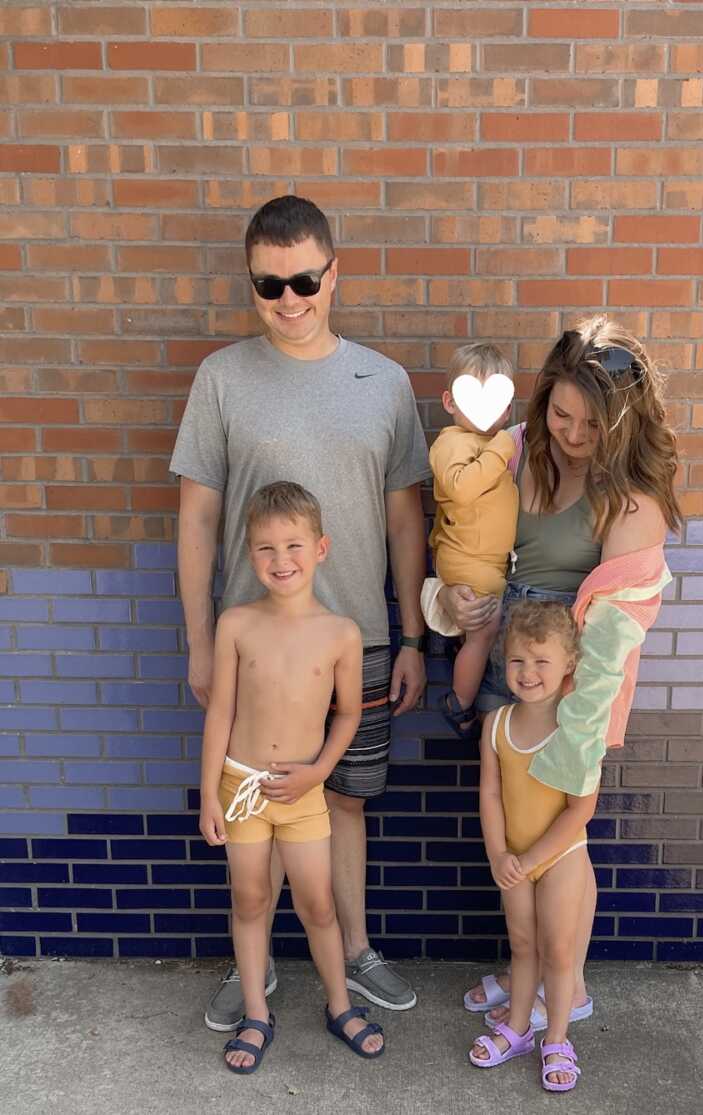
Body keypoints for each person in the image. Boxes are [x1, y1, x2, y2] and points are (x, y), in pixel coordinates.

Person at [172, 195, 429, 1030]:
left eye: (305, 279)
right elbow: (199, 518)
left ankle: (351, 953)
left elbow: (403, 518)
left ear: (333, 272)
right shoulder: (222, 378)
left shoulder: (383, 383)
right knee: (251, 789)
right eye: (269, 285)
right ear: (251, 284)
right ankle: (258, 969)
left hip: (357, 635)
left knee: (341, 801)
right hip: (252, 645)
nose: (289, 300)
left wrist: (415, 635)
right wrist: (200, 642)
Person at [439, 316, 682, 1030]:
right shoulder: (518, 453)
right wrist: (457, 593)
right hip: (506, 657)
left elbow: (611, 637)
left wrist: (579, 733)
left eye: (590, 423)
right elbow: (468, 534)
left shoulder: (631, 495)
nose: (573, 435)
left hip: (574, 679)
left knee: (565, 837)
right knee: (514, 827)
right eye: (561, 413)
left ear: (625, 420)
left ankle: (565, 984)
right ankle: (527, 969)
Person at [200, 482, 386, 1071]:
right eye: (265, 549)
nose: (281, 561)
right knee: (251, 900)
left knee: (319, 905)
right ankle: (257, 1012)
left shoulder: (341, 633)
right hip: (242, 789)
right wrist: (209, 793)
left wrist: (319, 773)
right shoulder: (234, 624)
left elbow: (350, 712)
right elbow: (222, 713)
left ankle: (339, 1005)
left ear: (322, 548)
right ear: (247, 556)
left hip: (305, 795)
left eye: (293, 545)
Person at [469, 601, 595, 1092]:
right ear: (505, 661)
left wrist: (528, 859)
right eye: (519, 660)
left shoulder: (575, 726)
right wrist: (500, 853)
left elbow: (579, 810)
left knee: (559, 952)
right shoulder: (496, 724)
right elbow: (491, 793)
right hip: (514, 858)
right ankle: (518, 1028)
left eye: (543, 661)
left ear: (569, 664)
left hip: (559, 857)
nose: (529, 672)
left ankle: (557, 1038)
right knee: (522, 945)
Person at [427, 343, 518, 738]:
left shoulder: (490, 446)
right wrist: (500, 450)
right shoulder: (451, 443)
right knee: (486, 627)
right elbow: (462, 489)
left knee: (487, 631)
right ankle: (460, 702)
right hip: (467, 558)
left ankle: (473, 685)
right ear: (450, 401)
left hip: (490, 560)